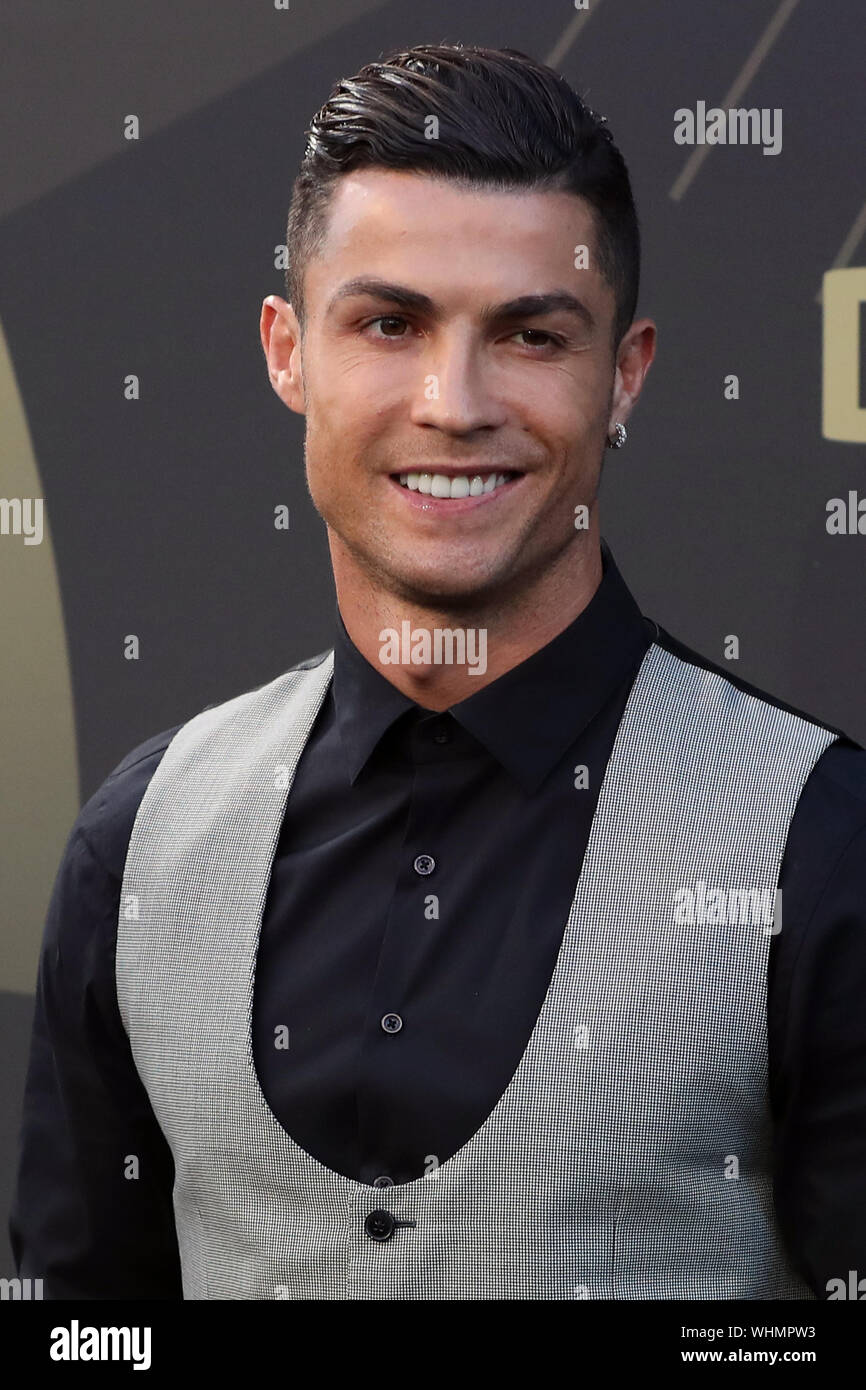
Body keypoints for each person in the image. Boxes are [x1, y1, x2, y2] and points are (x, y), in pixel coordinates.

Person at [10, 41, 866, 1301]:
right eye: (389, 323)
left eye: (527, 334)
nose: (451, 400)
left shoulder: (822, 846)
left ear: (620, 377)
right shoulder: (136, 850)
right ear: (287, 351)